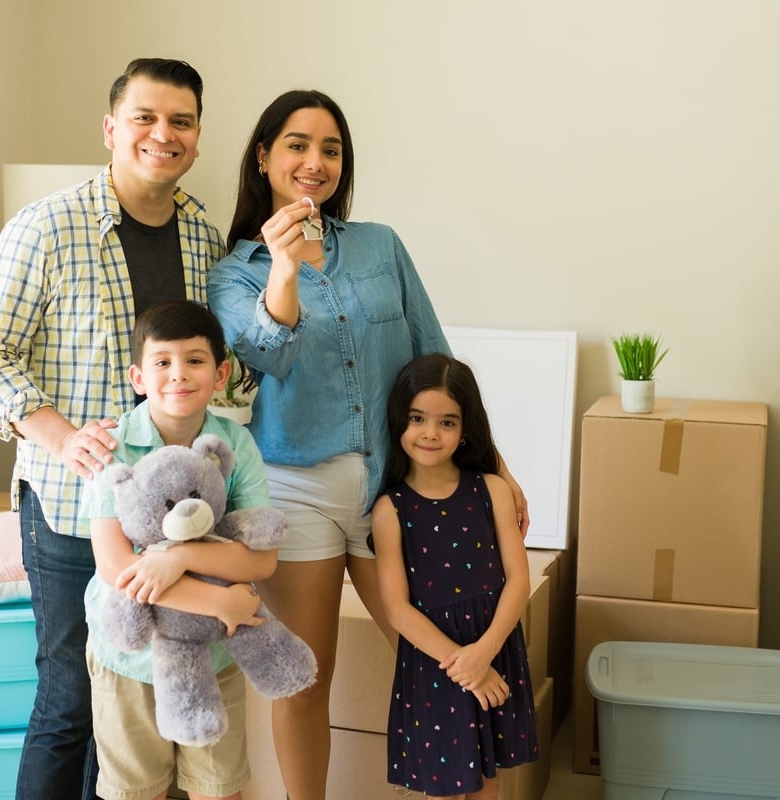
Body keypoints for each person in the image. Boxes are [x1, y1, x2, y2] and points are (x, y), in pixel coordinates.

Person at [206, 89, 529, 800]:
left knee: (448, 658)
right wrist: (285, 267)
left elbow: (435, 355)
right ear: (263, 157)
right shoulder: (235, 271)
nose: (315, 162)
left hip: (397, 486)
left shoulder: (381, 246)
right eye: (297, 144)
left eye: (331, 149)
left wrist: (496, 469)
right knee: (304, 678)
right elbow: (268, 355)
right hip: (297, 490)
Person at [0, 58, 224, 800]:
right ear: (111, 129)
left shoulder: (203, 237)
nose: (161, 134)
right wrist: (60, 435)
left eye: (180, 121)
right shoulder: (45, 226)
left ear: (197, 138)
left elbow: (215, 367)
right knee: (72, 698)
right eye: (144, 117)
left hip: (167, 519)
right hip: (72, 507)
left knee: (136, 704)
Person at [84, 300, 271, 800]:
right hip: (129, 656)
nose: (178, 375)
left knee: (220, 787)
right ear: (138, 377)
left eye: (194, 360)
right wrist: (217, 600)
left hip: (214, 653)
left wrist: (180, 557)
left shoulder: (235, 444)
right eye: (162, 362)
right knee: (134, 790)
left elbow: (262, 557)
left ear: (220, 372)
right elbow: (117, 566)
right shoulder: (114, 446)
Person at [371, 353, 539, 799]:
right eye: (417, 418)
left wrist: (484, 653)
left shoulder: (493, 490)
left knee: (487, 778)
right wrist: (465, 666)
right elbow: (397, 608)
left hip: (494, 645)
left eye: (447, 422)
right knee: (444, 787)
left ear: (466, 430)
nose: (430, 433)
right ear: (398, 421)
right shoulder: (389, 510)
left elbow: (518, 581)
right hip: (434, 665)